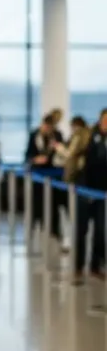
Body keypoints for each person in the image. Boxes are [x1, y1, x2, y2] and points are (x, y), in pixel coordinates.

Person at [74, 109, 107, 285]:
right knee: (82, 229)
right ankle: (78, 266)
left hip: (101, 193)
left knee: (100, 230)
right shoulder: (88, 137)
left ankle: (96, 265)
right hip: (85, 190)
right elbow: (83, 164)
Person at [25, 114, 62, 239]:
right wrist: (35, 160)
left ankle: (53, 229)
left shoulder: (57, 136)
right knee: (37, 201)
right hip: (37, 174)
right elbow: (28, 154)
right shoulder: (34, 135)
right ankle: (36, 225)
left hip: (53, 174)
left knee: (54, 202)